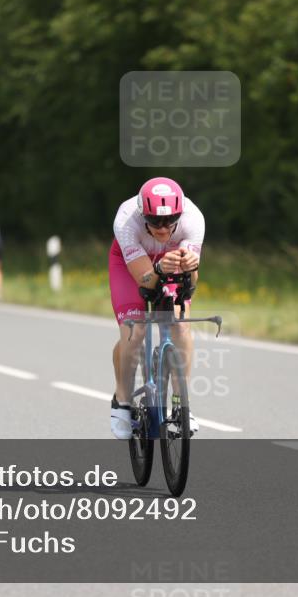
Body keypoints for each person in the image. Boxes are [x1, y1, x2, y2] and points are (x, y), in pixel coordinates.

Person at [108, 177, 203, 439]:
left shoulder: (194, 219)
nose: (163, 229)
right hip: (132, 266)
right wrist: (159, 268)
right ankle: (123, 401)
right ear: (143, 215)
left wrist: (191, 267)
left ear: (180, 214)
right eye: (155, 221)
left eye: (170, 220)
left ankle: (181, 405)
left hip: (171, 263)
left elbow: (190, 285)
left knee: (180, 327)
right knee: (134, 330)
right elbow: (145, 282)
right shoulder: (127, 220)